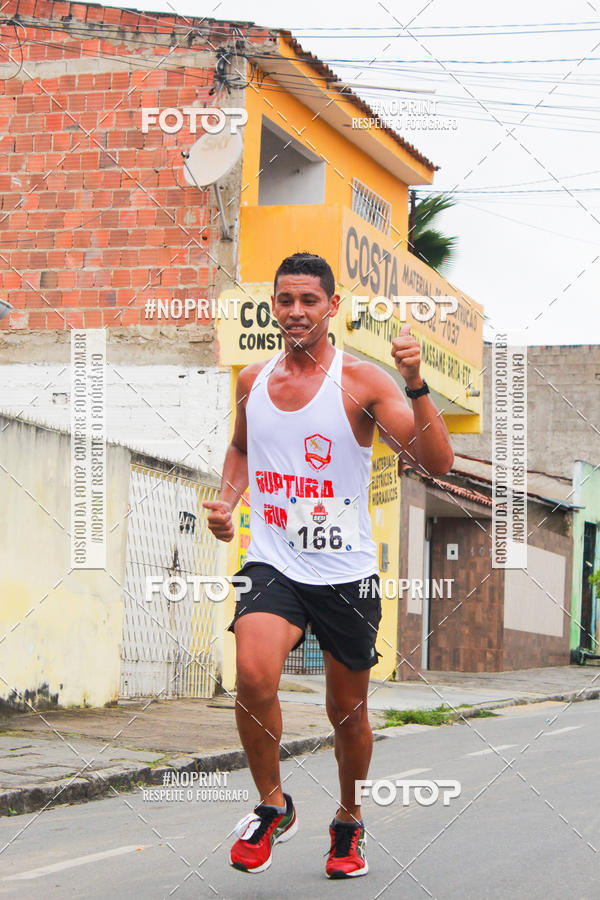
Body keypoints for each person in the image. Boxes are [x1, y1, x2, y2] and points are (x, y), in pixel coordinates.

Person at [202, 252, 454, 878]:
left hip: (345, 571)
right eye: (284, 300)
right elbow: (240, 448)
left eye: (308, 301)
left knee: (348, 713)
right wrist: (229, 503)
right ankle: (271, 806)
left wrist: (416, 384)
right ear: (273, 305)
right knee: (255, 675)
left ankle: (349, 822)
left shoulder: (364, 383)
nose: (294, 312)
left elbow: (436, 461)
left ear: (331, 307)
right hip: (273, 559)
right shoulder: (252, 380)